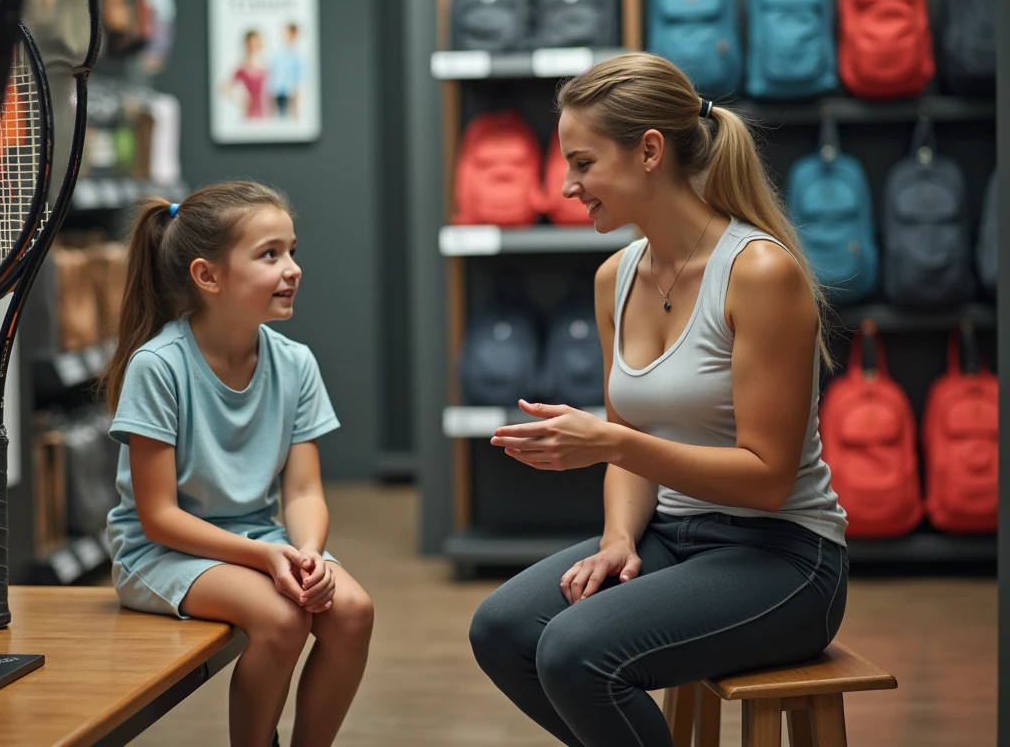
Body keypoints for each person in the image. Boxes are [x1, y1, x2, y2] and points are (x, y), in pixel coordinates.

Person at [467, 52, 849, 747]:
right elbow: (633, 450)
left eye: (583, 163)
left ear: (649, 152)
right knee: (502, 630)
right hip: (673, 537)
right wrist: (618, 539)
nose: (568, 184)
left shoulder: (759, 272)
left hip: (786, 558)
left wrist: (612, 442)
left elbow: (766, 479)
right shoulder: (615, 277)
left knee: (574, 651)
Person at [101, 181, 374, 747]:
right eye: (270, 254)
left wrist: (308, 554)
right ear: (209, 276)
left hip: (262, 541)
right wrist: (266, 556)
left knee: (352, 610)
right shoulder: (157, 366)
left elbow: (302, 493)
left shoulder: (296, 363)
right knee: (282, 619)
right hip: (161, 553)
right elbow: (157, 518)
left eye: (292, 250)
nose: (292, 268)